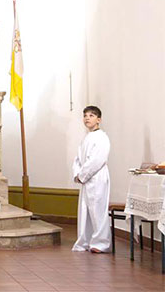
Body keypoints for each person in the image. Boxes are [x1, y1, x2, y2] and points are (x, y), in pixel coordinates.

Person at [72, 105, 111, 253]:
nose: (87, 118)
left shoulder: (102, 137)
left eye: (91, 115)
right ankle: (86, 241)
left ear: (99, 120)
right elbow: (77, 159)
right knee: (85, 211)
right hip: (86, 179)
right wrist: (77, 174)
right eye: (85, 115)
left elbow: (97, 160)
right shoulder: (86, 138)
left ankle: (101, 243)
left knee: (98, 210)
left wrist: (82, 175)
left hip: (97, 177)